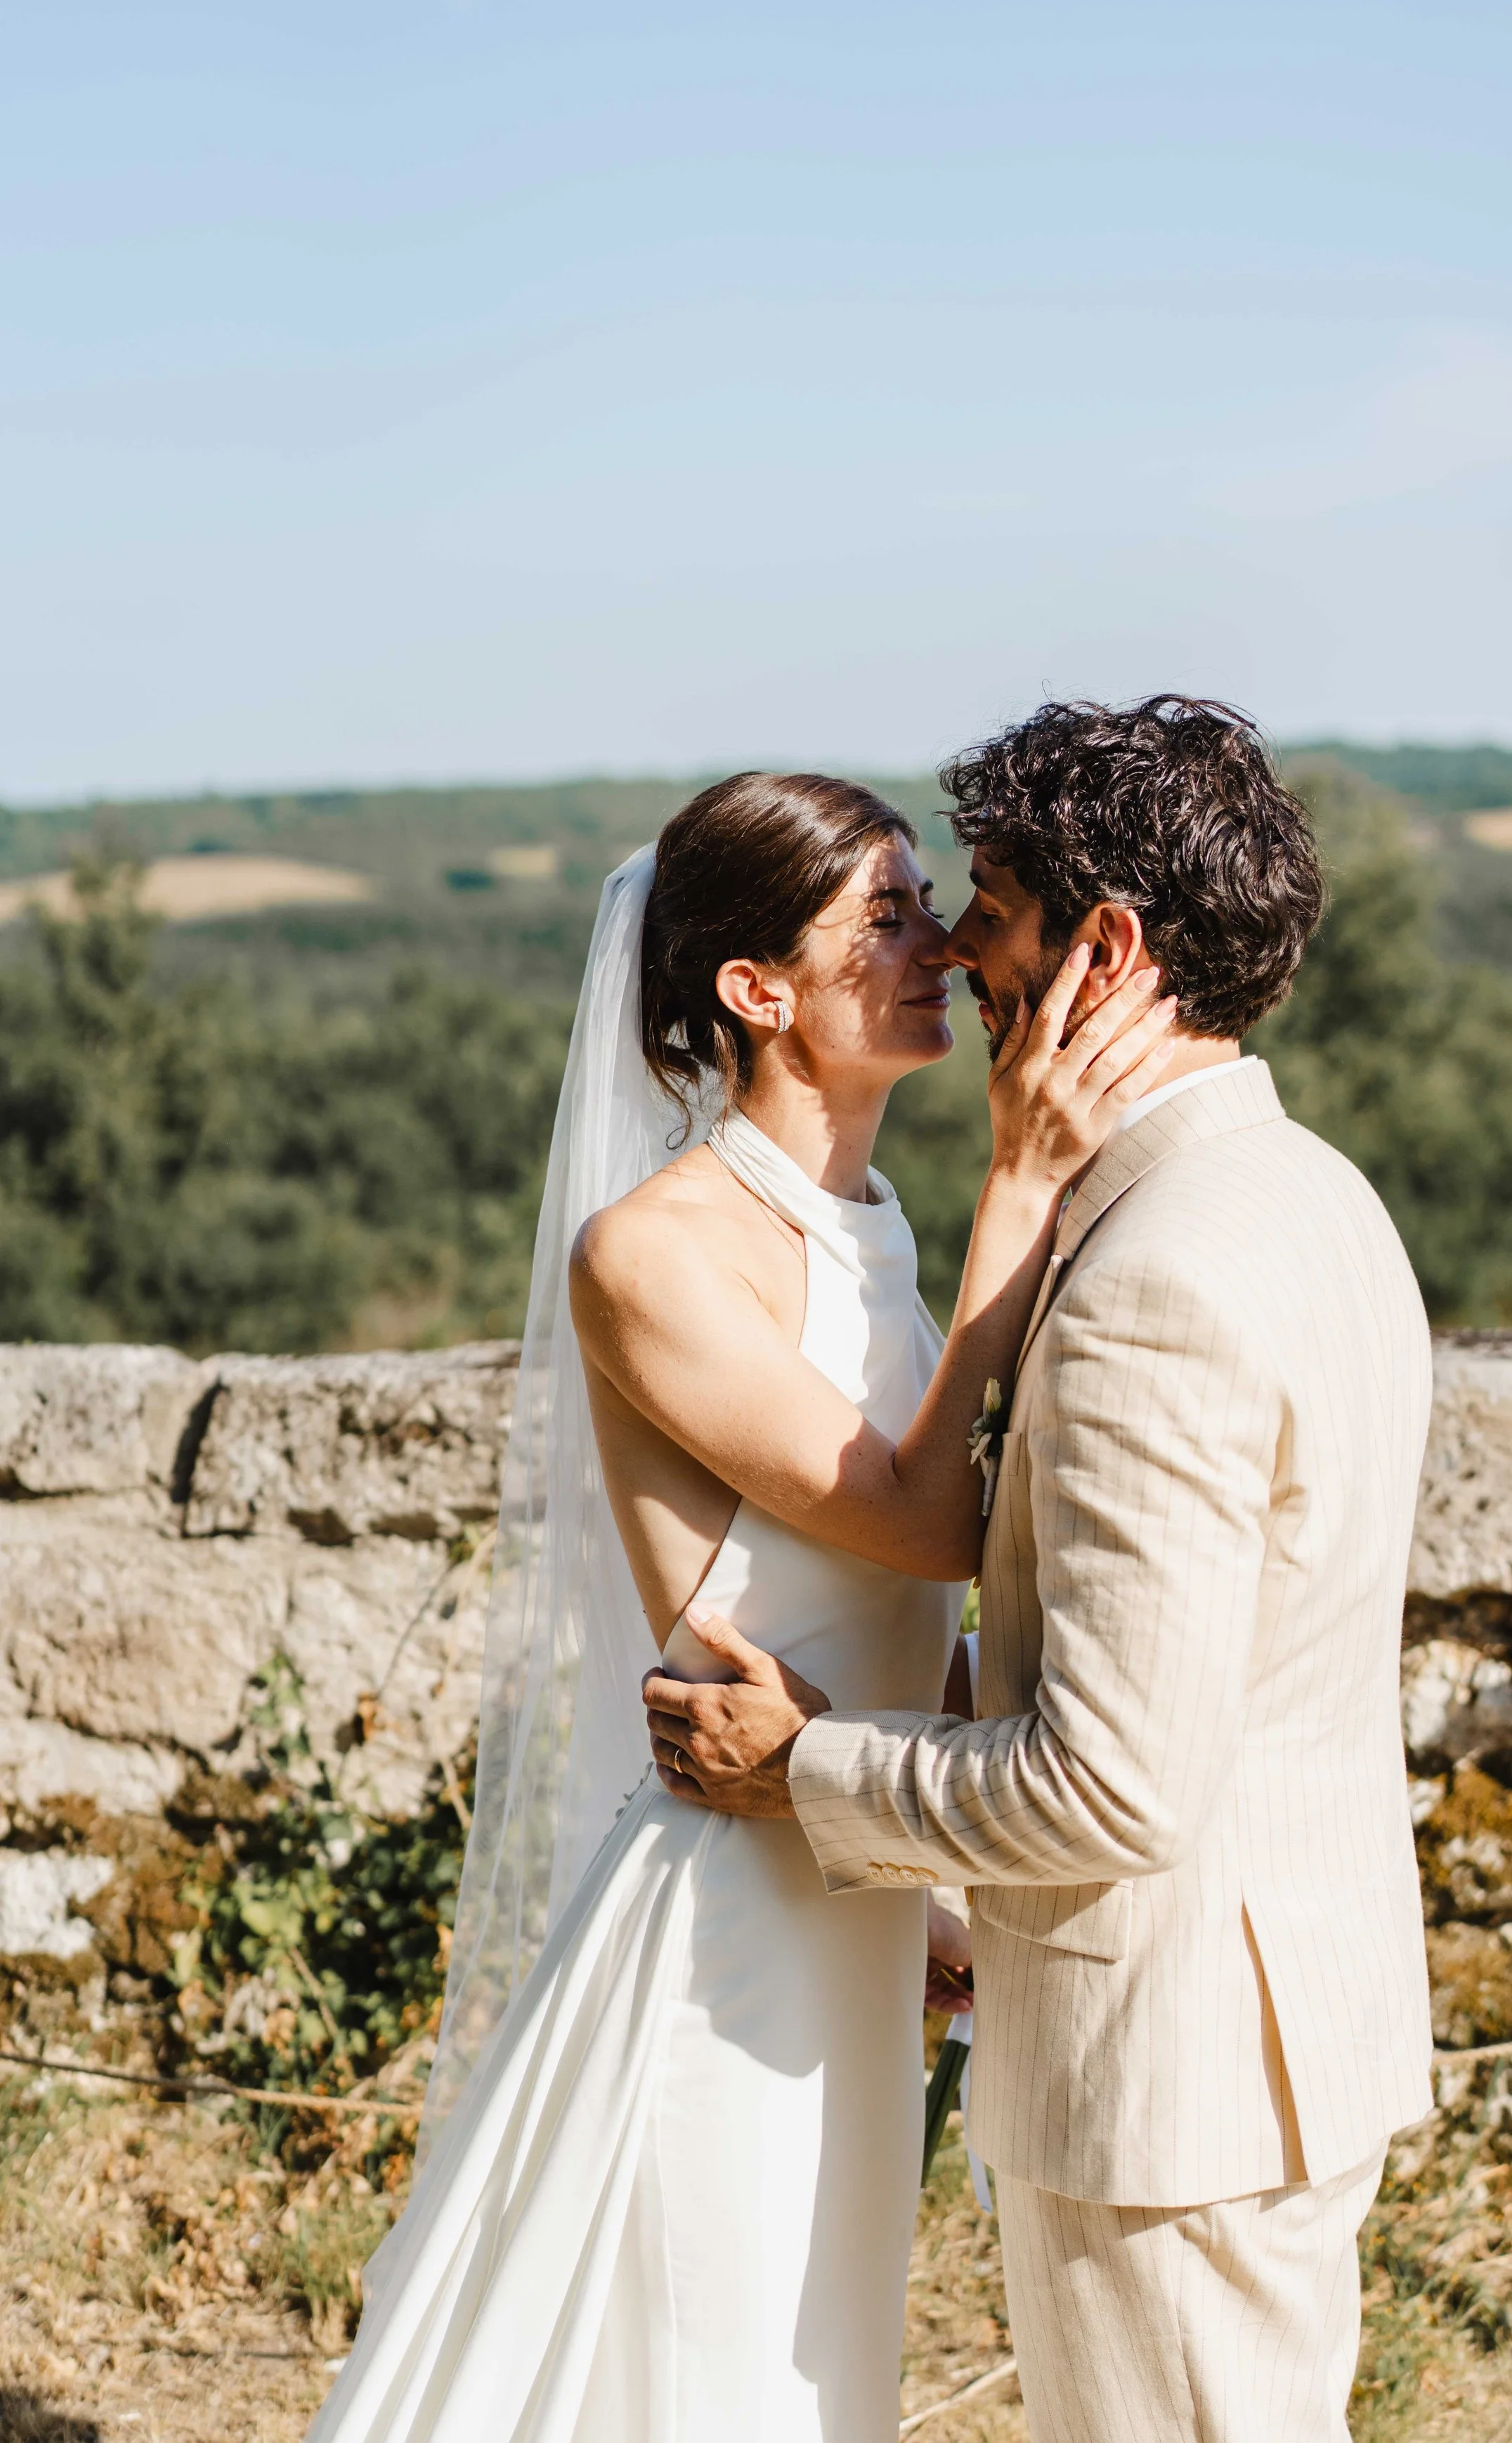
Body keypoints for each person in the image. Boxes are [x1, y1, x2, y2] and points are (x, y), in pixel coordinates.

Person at [306, 767, 1179, 2443]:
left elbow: (861, 1612)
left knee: (813, 2357)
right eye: (882, 915)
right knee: (708, 2372)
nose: (941, 944)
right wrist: (1024, 1187)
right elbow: (924, 1522)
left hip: (841, 1874)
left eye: (928, 904)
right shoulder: (653, 1254)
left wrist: (918, 1892)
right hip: (728, 1914)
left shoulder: (869, 1223)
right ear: (754, 991)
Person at [645, 698, 1435, 2443]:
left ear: (1106, 946)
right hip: (1275, 2026)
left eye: (987, 905)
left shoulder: (1158, 1275)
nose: (959, 953)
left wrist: (800, 1774)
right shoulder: (1313, 1197)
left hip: (1171, 2082)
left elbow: (1108, 1780)